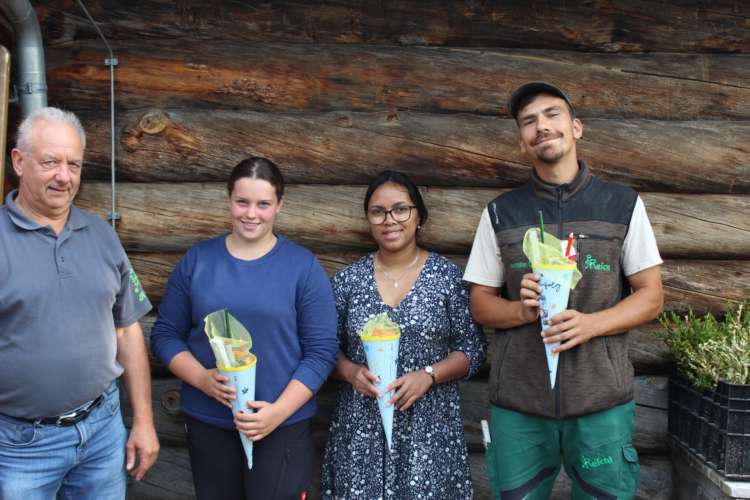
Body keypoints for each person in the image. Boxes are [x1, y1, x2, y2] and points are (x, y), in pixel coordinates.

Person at [464, 81, 664, 498]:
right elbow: (480, 303)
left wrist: (591, 325)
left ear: (576, 127)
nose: (541, 126)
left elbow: (651, 296)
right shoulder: (501, 212)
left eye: (552, 115)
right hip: (519, 406)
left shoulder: (621, 204)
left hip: (600, 405)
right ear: (522, 141)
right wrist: (522, 311)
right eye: (529, 121)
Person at [150, 156, 338, 500]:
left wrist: (278, 413)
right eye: (242, 202)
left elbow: (321, 352)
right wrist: (203, 380)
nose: (251, 214)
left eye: (263, 204)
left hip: (281, 426)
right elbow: (165, 335)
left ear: (279, 205)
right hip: (210, 423)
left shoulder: (303, 267)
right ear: (229, 201)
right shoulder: (198, 261)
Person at [0, 107, 159, 499]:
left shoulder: (102, 235)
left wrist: (143, 420)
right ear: (19, 162)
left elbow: (127, 329)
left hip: (102, 431)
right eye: (51, 162)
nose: (64, 176)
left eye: (74, 164)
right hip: (20, 446)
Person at [321, 170, 486, 499]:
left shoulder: (446, 278)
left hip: (429, 433)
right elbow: (324, 350)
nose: (389, 220)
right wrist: (351, 372)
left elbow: (474, 349)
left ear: (418, 216)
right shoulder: (348, 282)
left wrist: (429, 375)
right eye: (378, 212)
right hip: (360, 434)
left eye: (400, 209)